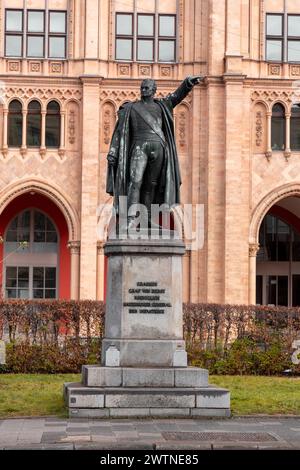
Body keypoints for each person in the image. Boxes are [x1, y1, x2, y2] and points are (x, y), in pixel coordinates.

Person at [106, 76, 203, 227]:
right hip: (139, 146)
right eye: (142, 88)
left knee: (151, 185)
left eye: (147, 88)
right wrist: (113, 150)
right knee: (135, 181)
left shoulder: (163, 105)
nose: (144, 90)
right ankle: (132, 217)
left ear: (154, 90)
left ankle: (146, 219)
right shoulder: (130, 108)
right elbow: (120, 131)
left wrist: (188, 83)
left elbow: (178, 95)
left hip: (159, 148)